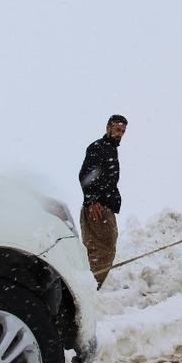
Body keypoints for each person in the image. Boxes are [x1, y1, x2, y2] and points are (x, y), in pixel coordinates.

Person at [79, 114, 128, 289]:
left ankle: (86, 286)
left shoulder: (110, 149)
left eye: (123, 131)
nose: (120, 133)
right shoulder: (98, 147)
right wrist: (92, 200)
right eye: (117, 129)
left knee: (93, 249)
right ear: (108, 128)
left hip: (102, 205)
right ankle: (90, 288)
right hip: (98, 207)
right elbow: (86, 174)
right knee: (104, 250)